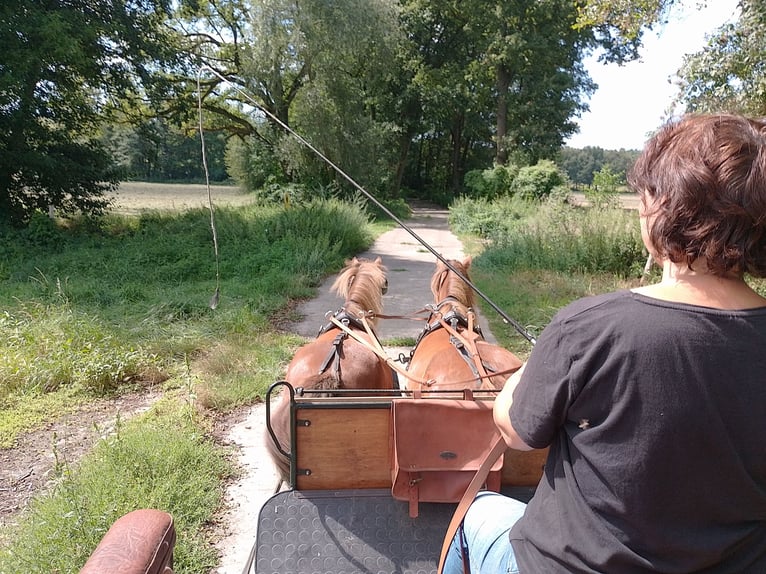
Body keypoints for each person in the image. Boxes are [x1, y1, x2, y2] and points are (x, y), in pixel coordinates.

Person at [443, 113, 766, 573]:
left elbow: (517, 433)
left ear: (663, 208)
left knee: (478, 512)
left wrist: (521, 378)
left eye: (645, 195)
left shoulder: (590, 326)